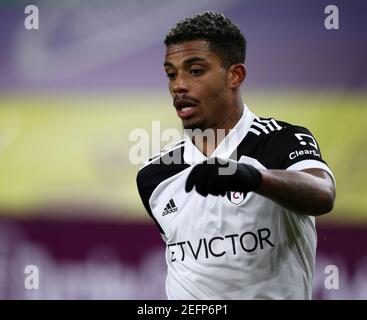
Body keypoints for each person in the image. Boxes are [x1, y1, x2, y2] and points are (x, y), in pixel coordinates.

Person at [136, 11, 336, 300]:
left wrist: (254, 178)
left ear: (235, 75)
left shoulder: (280, 140)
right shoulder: (153, 176)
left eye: (195, 71)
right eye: (171, 73)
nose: (178, 85)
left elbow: (323, 194)